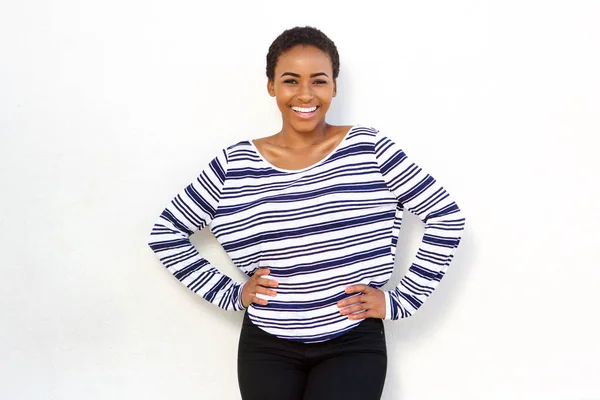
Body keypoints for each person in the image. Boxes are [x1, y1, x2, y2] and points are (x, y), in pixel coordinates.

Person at [148, 26, 466, 400]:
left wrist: (401, 299)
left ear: (334, 87)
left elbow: (446, 216)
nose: (304, 94)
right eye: (290, 80)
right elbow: (165, 234)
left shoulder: (369, 149)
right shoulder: (234, 163)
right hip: (266, 347)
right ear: (271, 86)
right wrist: (233, 294)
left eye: (318, 80)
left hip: (352, 341)